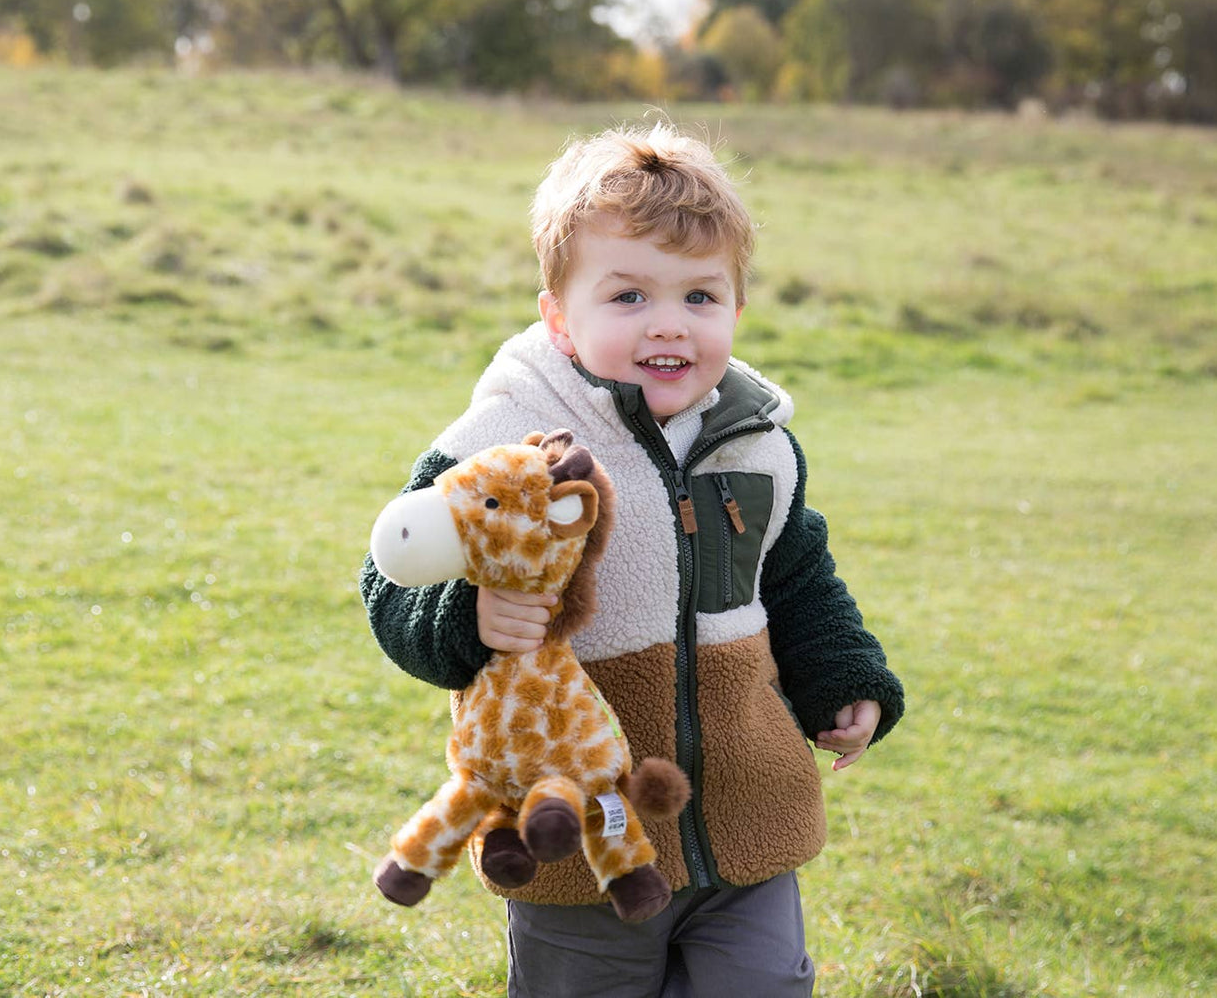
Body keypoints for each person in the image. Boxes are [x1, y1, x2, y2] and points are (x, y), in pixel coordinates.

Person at [360, 122, 905, 997]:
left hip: (743, 809)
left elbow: (798, 576)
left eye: (700, 297)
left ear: (735, 308)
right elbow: (391, 579)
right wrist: (465, 619)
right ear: (559, 318)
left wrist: (845, 675)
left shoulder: (756, 445)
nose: (668, 325)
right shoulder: (503, 443)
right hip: (575, 822)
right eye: (627, 298)